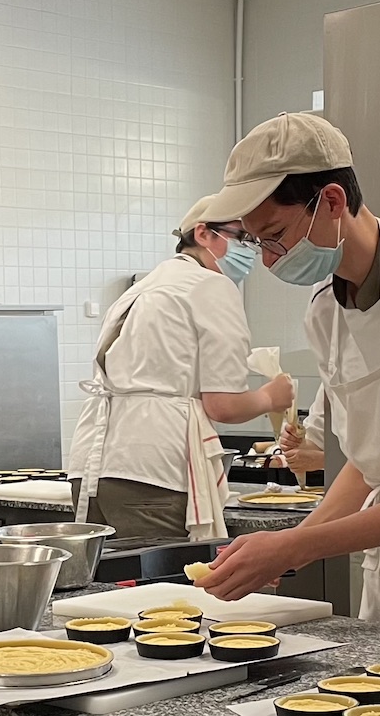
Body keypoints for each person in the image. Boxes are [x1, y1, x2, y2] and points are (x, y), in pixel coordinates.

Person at [198, 111, 380, 637]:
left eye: (275, 236)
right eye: (258, 244)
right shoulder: (325, 309)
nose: (268, 262)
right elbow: (368, 460)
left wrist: (293, 545)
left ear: (331, 201)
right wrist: (290, 553)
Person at [67, 196, 295, 542]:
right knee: (160, 586)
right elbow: (223, 405)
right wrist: (270, 396)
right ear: (203, 233)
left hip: (92, 464)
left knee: (112, 586)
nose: (251, 251)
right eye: (243, 238)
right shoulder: (212, 286)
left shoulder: (145, 286)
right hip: (153, 466)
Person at [278, 386, 327, 474]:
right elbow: (317, 440)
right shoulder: (328, 382)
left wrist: (325, 460)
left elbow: (359, 460)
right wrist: (298, 442)